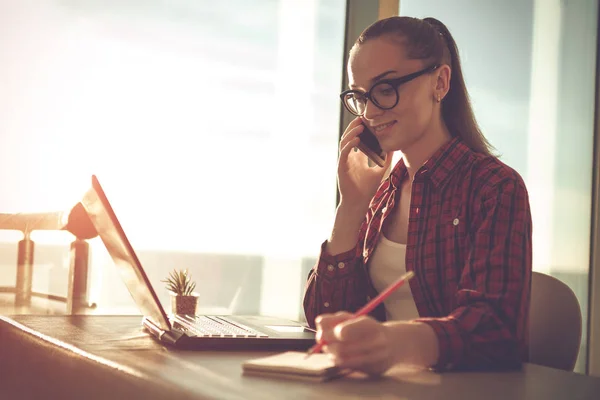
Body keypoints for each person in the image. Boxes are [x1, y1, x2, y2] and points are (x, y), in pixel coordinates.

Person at [302, 16, 532, 375]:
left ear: (440, 82)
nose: (370, 112)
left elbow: (494, 328)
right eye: (359, 96)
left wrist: (393, 343)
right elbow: (321, 317)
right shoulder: (381, 195)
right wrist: (350, 208)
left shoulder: (494, 187)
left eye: (386, 88)